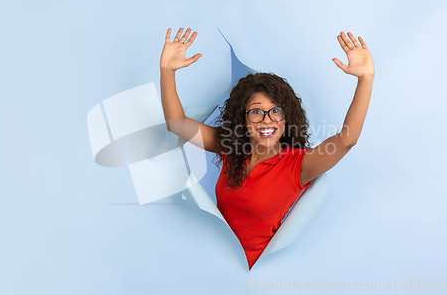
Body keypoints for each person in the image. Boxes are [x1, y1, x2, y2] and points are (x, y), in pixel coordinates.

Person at [159, 27, 375, 270]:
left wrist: (365, 79)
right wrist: (167, 71)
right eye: (256, 112)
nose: (267, 120)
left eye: (275, 111)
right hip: (210, 263)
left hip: (253, 275)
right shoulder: (231, 148)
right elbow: (177, 124)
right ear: (243, 118)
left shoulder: (298, 166)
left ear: (286, 118)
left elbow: (347, 140)